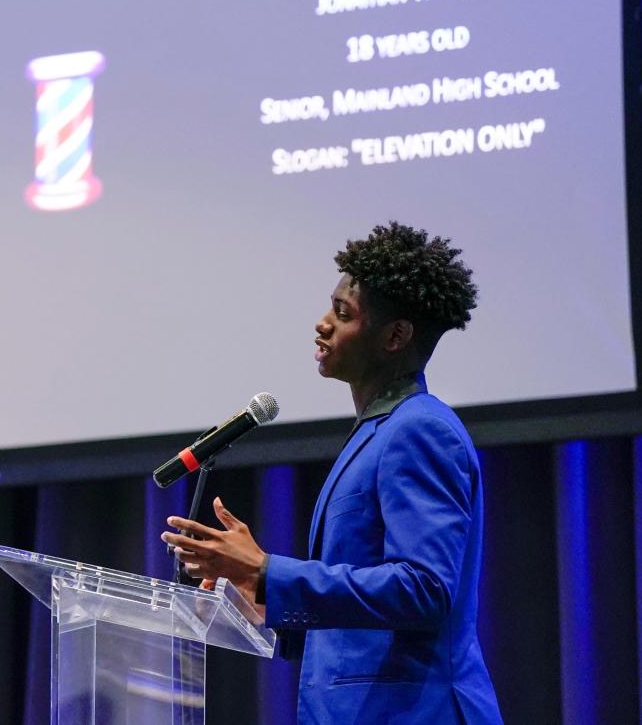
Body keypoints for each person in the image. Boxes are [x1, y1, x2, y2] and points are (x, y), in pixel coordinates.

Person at [162, 221, 502, 724]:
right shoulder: (379, 433)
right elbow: (368, 607)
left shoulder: (421, 430)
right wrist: (261, 596)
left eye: (343, 314)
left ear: (396, 335)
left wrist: (266, 571)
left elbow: (425, 589)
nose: (322, 324)